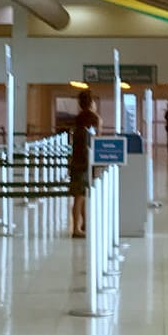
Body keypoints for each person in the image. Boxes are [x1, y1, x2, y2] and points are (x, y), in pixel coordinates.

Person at [69, 90, 102, 238]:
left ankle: (83, 225)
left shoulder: (78, 119)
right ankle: (76, 228)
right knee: (80, 196)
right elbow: (97, 140)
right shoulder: (95, 118)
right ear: (91, 103)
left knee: (80, 195)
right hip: (86, 162)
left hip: (76, 160)